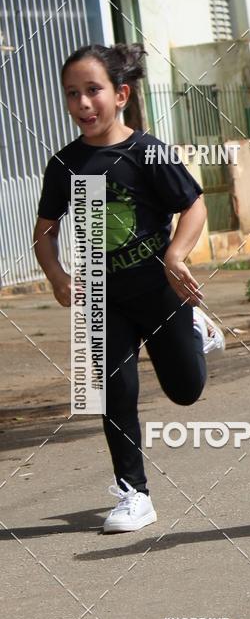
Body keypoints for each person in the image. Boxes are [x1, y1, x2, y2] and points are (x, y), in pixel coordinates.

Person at [34, 43, 208, 533]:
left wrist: (175, 256)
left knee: (185, 391)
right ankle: (134, 494)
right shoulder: (65, 164)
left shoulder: (147, 152)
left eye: (93, 91)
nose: (83, 104)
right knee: (112, 390)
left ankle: (196, 333)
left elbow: (193, 205)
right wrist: (58, 275)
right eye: (73, 94)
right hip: (100, 296)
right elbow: (45, 230)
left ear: (121, 94)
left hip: (157, 287)